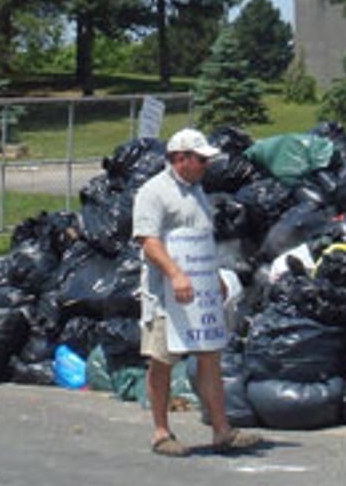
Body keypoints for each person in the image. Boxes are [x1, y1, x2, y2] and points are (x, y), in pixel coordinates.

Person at [131, 129, 262, 457]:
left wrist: (213, 277)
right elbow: (148, 241)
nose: (206, 165)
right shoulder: (154, 192)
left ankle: (222, 431)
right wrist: (175, 274)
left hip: (199, 293)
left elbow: (200, 240)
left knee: (210, 357)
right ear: (180, 158)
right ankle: (161, 433)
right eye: (201, 159)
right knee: (162, 360)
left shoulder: (198, 192)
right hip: (164, 294)